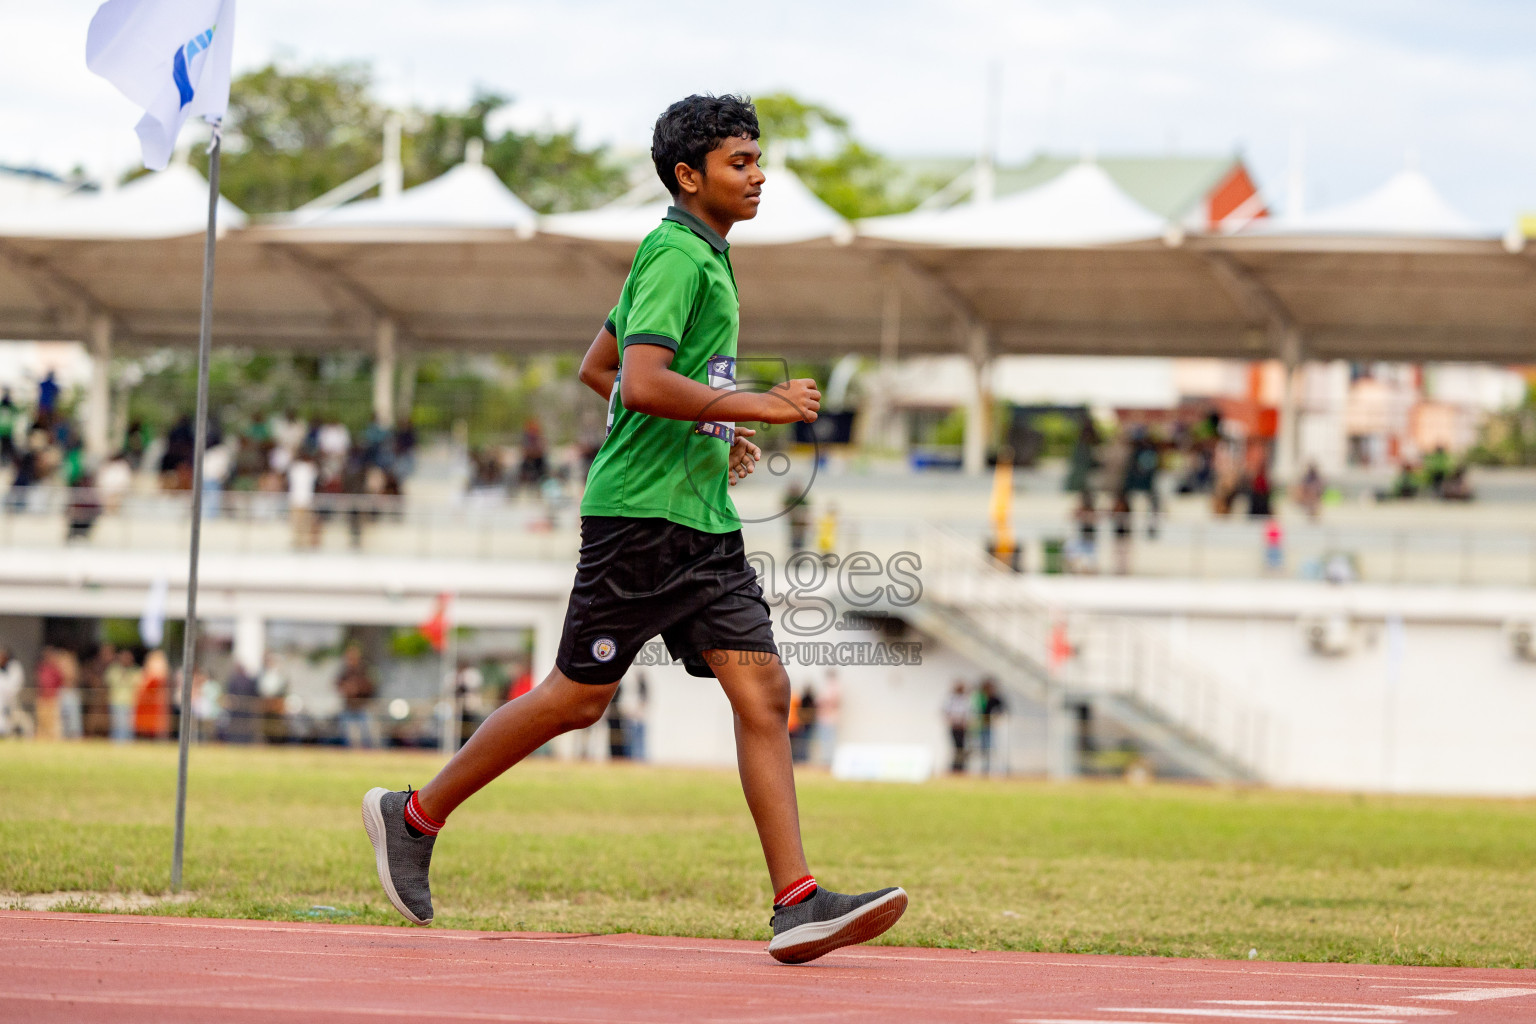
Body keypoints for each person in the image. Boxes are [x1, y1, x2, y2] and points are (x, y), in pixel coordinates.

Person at [360, 95, 905, 964]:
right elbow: (637, 380)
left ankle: (797, 902)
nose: (758, 175)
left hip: (702, 526)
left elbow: (599, 368)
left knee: (764, 693)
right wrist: (753, 402)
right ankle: (412, 815)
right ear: (690, 177)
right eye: (740, 162)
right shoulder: (675, 254)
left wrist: (716, 426)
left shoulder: (709, 259)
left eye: (758, 159)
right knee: (577, 700)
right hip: (639, 522)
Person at [336, 643, 379, 748]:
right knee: (351, 738)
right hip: (349, 708)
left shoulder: (365, 669)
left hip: (363, 707)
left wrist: (357, 688)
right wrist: (346, 688)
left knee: (370, 736)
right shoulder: (345, 671)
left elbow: (372, 686)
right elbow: (337, 684)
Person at [105, 648, 142, 743]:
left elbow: (139, 684)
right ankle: (117, 744)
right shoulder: (113, 669)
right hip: (116, 702)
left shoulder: (135, 671)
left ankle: (128, 744)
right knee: (117, 725)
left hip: (131, 703)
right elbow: (109, 682)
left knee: (129, 726)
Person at [135, 650, 171, 740]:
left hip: (156, 707)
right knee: (147, 729)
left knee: (156, 729)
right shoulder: (149, 678)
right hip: (149, 707)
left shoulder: (159, 679)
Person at [974, 679, 1007, 775]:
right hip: (981, 727)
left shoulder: (995, 699)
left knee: (993, 748)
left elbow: (1002, 710)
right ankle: (985, 768)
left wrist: (997, 718)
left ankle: (997, 769)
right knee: (983, 748)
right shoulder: (981, 698)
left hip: (993, 728)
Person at [943, 682, 970, 774]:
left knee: (961, 747)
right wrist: (952, 721)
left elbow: (967, 712)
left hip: (962, 728)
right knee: (955, 747)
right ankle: (955, 766)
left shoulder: (965, 699)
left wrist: (964, 722)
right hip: (954, 727)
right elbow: (946, 711)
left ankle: (961, 767)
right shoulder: (951, 699)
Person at [0, 646, 26, 738]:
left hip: (12, 699)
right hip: (2, 699)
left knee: (14, 719)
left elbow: (15, 685)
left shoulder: (14, 667)